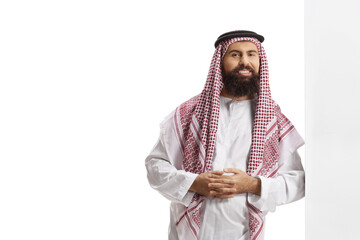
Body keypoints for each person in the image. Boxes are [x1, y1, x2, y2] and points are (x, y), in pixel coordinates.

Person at [145, 30, 305, 240]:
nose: (244, 61)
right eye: (235, 54)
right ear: (220, 61)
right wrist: (193, 183)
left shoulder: (271, 120)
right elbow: (155, 167)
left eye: (251, 54)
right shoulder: (189, 113)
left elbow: (298, 182)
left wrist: (253, 185)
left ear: (260, 61)